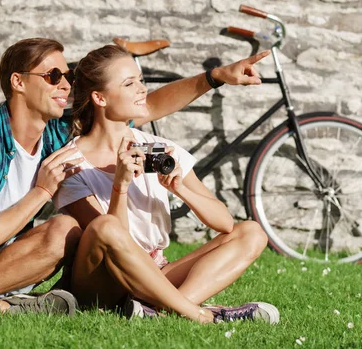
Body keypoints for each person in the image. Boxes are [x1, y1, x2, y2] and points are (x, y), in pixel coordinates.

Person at [0, 37, 269, 315]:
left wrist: (216, 77)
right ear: (18, 83)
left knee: (62, 229)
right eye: (54, 77)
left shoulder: (57, 131)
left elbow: (143, 108)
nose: (66, 85)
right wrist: (43, 190)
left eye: (69, 77)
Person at [54, 45, 279, 324]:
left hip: (155, 268)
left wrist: (179, 189)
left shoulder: (157, 150)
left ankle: (159, 312)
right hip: (105, 279)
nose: (141, 89)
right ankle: (196, 313)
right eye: (129, 83)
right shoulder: (71, 163)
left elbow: (224, 223)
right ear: (99, 97)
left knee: (251, 232)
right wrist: (120, 186)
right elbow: (110, 237)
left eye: (140, 80)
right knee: (105, 227)